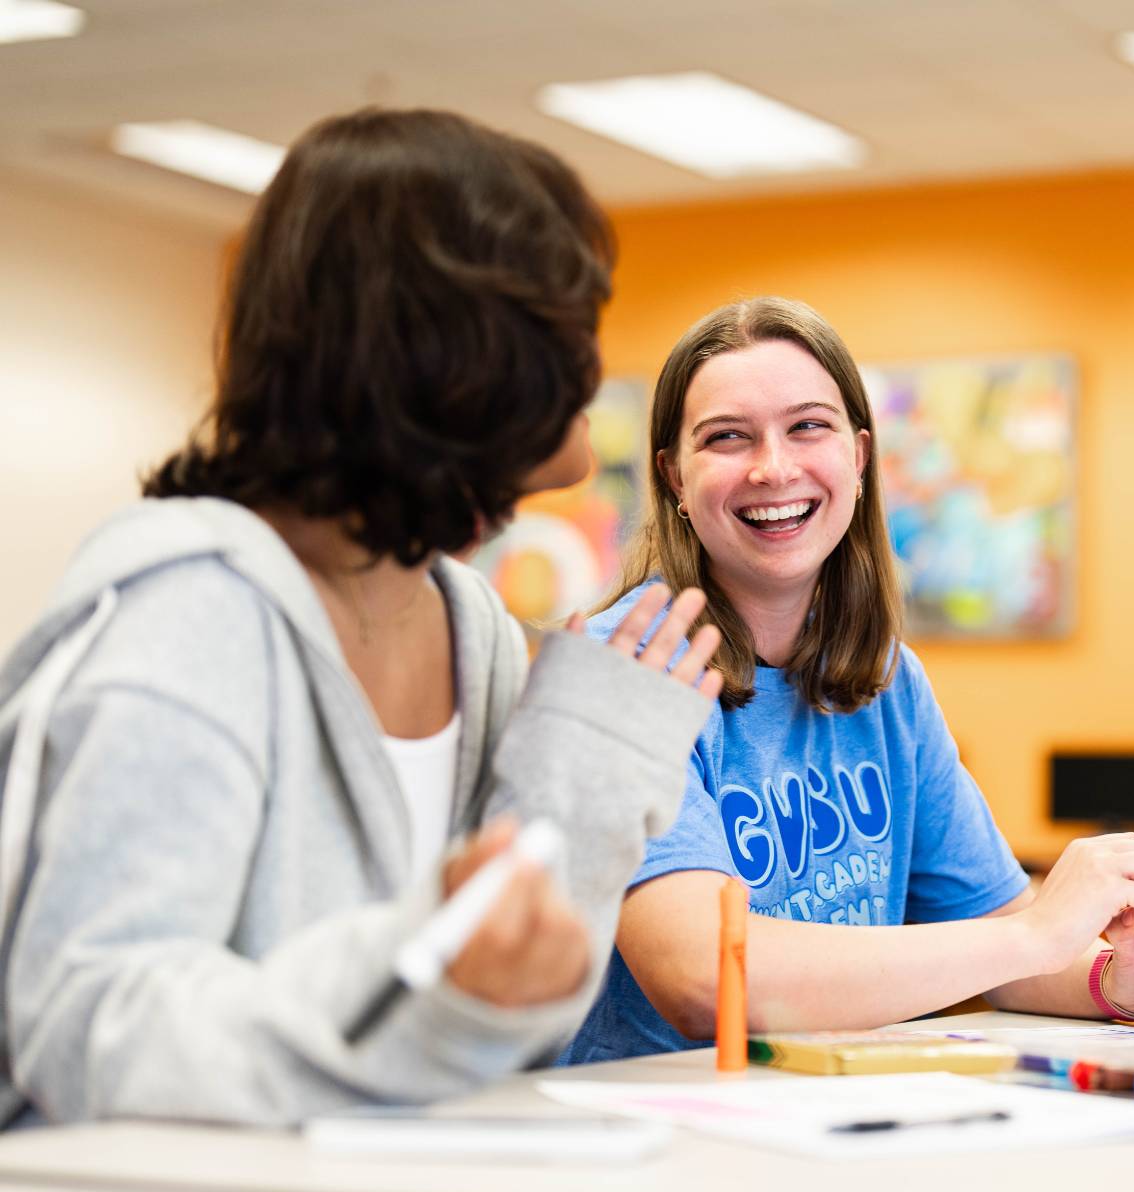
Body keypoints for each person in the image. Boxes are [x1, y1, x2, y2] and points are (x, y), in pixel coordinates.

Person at [0, 108, 722, 1128]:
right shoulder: (186, 620)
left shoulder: (467, 624)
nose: (579, 418)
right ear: (457, 364)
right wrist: (415, 959)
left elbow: (494, 1034)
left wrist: (583, 782)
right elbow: (87, 1033)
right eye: (561, 351)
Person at [559, 297, 1134, 1063]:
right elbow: (707, 979)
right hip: (652, 1138)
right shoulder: (629, 667)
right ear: (674, 477)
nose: (773, 467)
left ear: (860, 456)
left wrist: (1118, 977)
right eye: (726, 438)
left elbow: (1010, 942)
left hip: (826, 1119)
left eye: (808, 426)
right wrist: (1034, 935)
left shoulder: (885, 679)